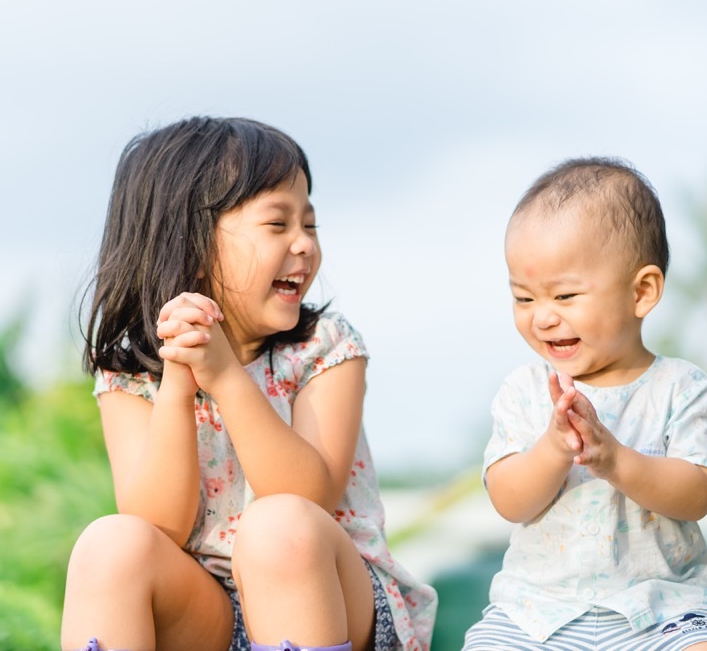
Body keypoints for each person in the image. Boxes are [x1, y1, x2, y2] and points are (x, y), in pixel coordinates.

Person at [61, 116, 436, 651]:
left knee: (277, 526)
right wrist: (177, 384)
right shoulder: (131, 373)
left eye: (310, 225)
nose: (304, 245)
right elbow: (158, 524)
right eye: (278, 225)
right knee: (110, 543)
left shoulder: (323, 346)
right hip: (204, 613)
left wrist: (226, 378)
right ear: (188, 245)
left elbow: (309, 495)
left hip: (328, 598)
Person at [461, 157, 707, 651]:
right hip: (535, 613)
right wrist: (552, 448)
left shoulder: (680, 387)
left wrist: (614, 460)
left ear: (642, 291)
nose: (542, 318)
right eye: (524, 299)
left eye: (565, 295)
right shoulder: (524, 391)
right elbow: (509, 500)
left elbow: (698, 492)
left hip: (663, 609)